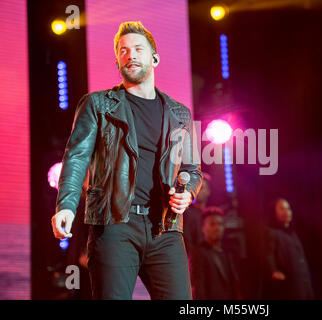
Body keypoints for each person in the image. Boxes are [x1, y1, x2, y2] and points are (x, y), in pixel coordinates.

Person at [50, 21, 202, 300]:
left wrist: (188, 193)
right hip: (114, 225)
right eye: (123, 51)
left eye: (138, 49)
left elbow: (192, 170)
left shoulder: (180, 113)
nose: (130, 55)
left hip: (165, 229)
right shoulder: (98, 104)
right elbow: (76, 156)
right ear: (117, 60)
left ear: (154, 58)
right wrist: (67, 207)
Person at [263, 198, 314, 300]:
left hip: (304, 285)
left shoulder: (293, 234)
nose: (286, 212)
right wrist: (273, 270)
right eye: (282, 209)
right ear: (274, 213)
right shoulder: (272, 232)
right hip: (291, 287)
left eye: (288, 208)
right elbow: (268, 253)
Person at [190, 207, 242, 299]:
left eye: (220, 224)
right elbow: (198, 286)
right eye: (212, 224)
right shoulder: (199, 252)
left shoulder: (229, 252)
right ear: (203, 228)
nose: (217, 227)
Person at [183, 172, 211, 254]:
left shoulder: (210, 213)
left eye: (201, 188)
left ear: (208, 191)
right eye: (196, 188)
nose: (198, 191)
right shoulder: (187, 213)